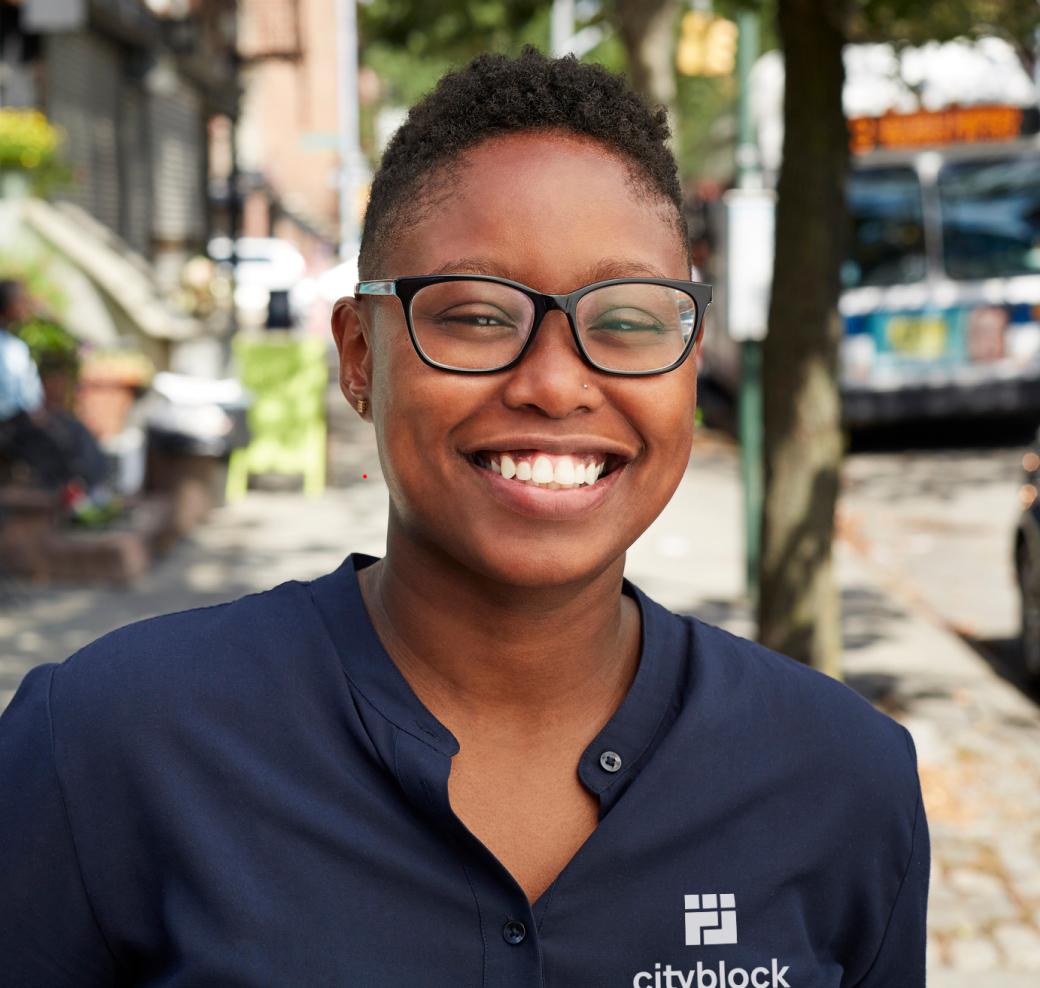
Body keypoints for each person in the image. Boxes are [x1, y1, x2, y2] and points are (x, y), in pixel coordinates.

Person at [0, 50, 927, 986]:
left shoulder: (844, 781)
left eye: (629, 320)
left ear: (688, 365)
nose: (557, 382)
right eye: (479, 316)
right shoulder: (104, 746)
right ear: (359, 356)